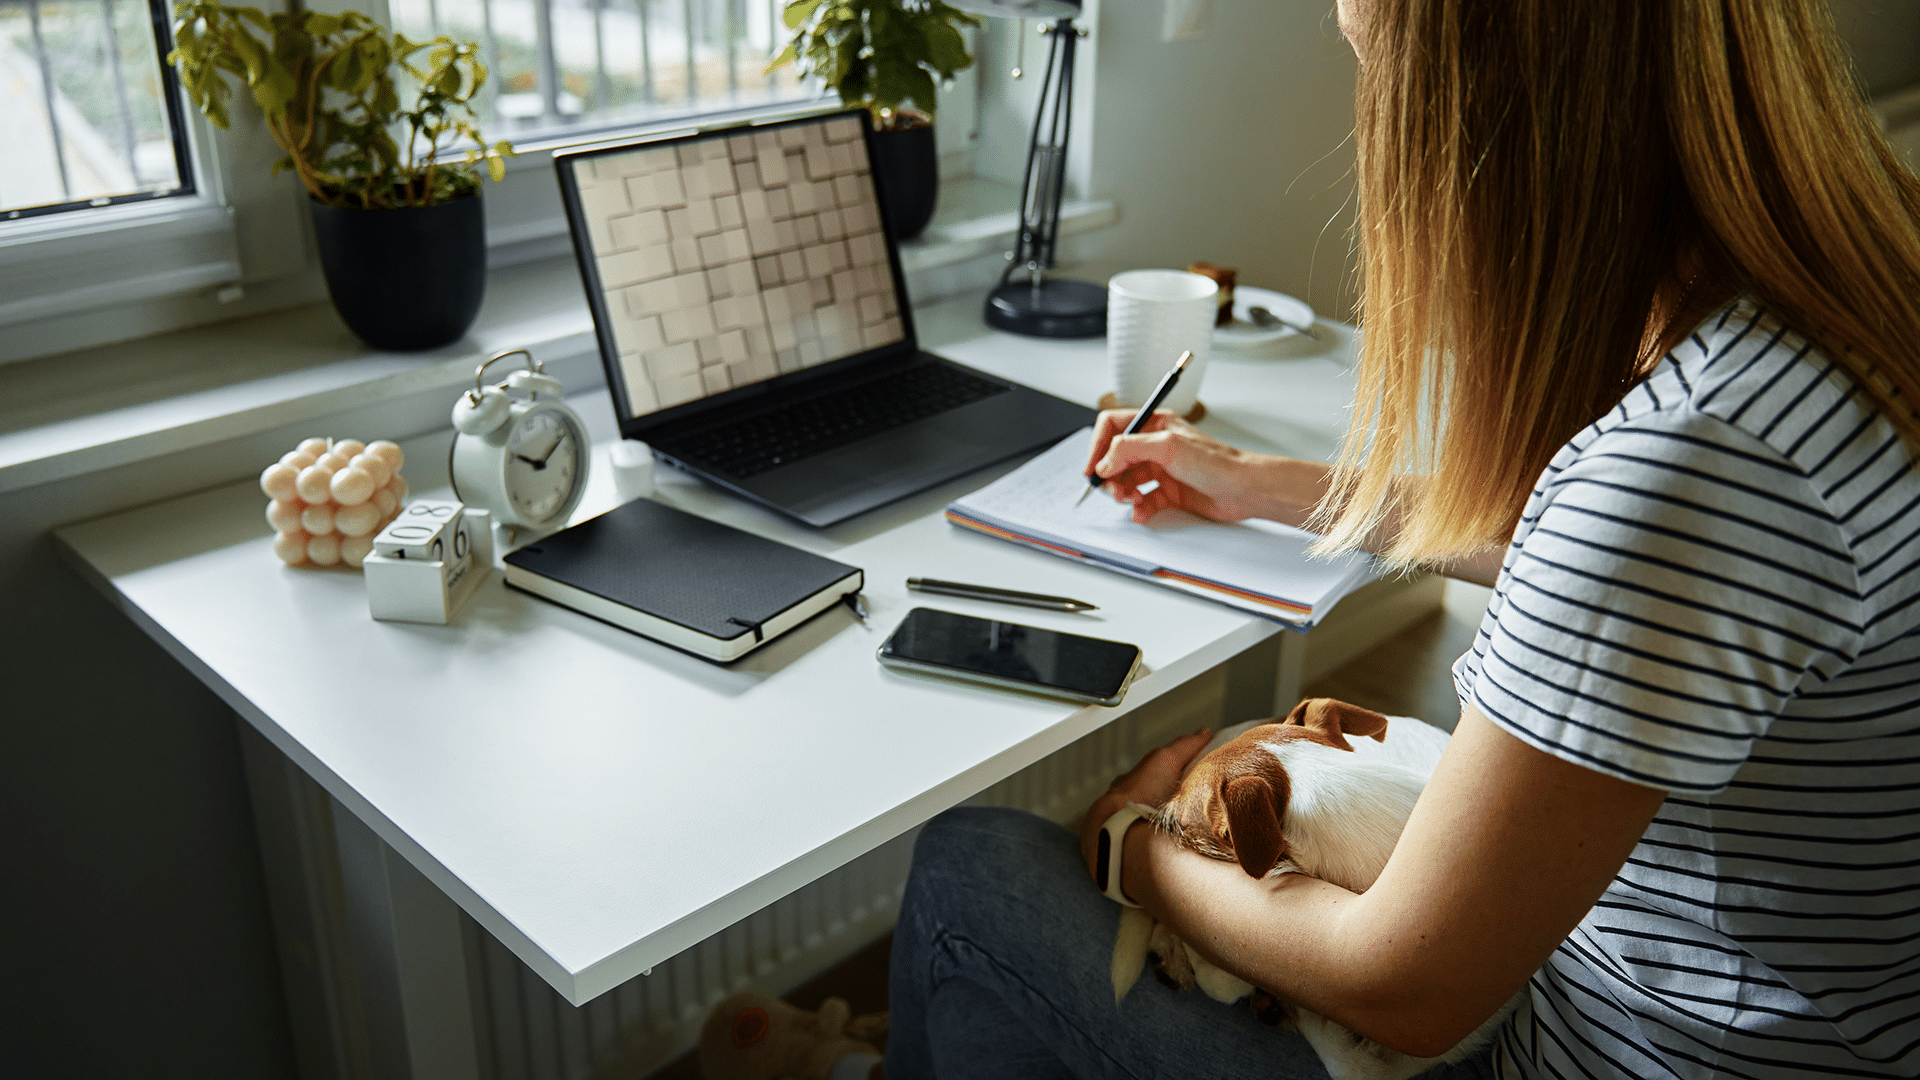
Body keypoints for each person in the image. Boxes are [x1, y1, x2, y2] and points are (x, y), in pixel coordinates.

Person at [702, 0, 1920, 1076]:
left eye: (1370, 59)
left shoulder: (1693, 465)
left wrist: (1136, 847)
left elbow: (1409, 988)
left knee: (970, 866)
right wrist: (1261, 486)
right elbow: (1612, 572)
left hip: (1583, 1045)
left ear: (1484, 106)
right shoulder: (1824, 314)